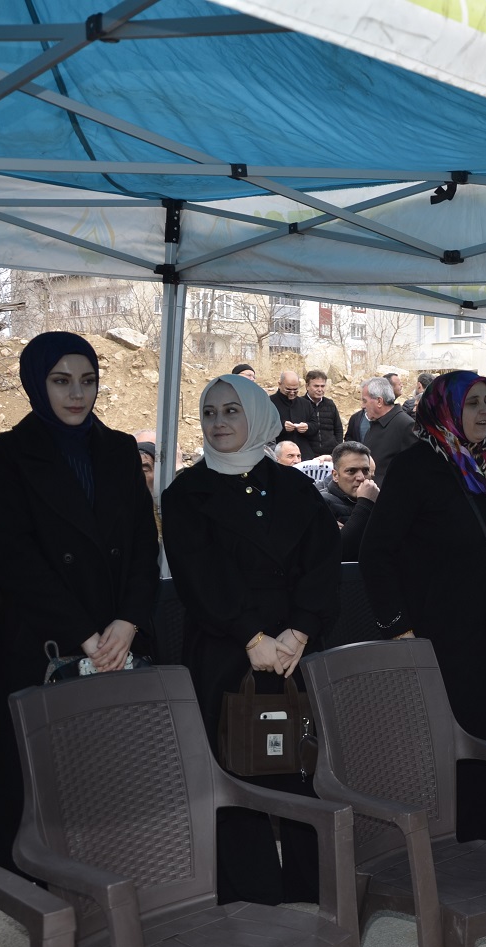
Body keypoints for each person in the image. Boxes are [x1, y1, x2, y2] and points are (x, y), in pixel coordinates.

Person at [0, 331, 160, 873]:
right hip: (42, 641)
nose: (77, 394)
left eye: (87, 380)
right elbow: (13, 559)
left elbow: (144, 547)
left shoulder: (121, 448)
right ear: (37, 383)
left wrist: (127, 621)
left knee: (118, 789)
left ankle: (127, 892)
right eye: (61, 381)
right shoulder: (5, 455)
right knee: (40, 790)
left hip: (122, 639)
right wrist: (86, 634)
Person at [161, 374, 340, 906]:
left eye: (232, 411)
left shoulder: (294, 486)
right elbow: (198, 577)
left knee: (303, 774)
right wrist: (251, 636)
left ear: (258, 416)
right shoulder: (186, 493)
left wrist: (301, 629)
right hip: (226, 655)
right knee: (233, 777)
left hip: (294, 655)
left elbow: (322, 563)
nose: (219, 422)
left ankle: (310, 900)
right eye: (210, 412)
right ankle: (250, 905)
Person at [359, 371, 486, 842]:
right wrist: (398, 628)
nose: (483, 412)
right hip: (438, 631)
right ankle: (460, 841)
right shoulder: (417, 466)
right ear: (445, 408)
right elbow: (376, 552)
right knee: (454, 732)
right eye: (471, 403)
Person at [323, 441, 378, 561]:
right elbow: (339, 551)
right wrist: (365, 503)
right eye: (351, 471)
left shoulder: (378, 501)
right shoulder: (322, 504)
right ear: (335, 475)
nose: (361, 477)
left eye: (365, 471)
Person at [346, 376, 417, 465]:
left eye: (365, 401)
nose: (362, 406)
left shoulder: (406, 425)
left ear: (379, 401)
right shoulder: (376, 423)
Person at [270, 370, 314, 458]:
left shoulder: (305, 404)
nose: (292, 392)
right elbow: (264, 427)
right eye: (288, 389)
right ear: (280, 384)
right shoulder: (269, 402)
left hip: (303, 453)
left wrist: (307, 427)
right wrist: (281, 426)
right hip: (279, 454)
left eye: (295, 389)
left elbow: (315, 425)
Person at [302, 369, 344, 458]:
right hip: (308, 456)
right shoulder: (300, 404)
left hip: (330, 455)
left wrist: (338, 448)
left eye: (322, 386)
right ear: (307, 386)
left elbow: (338, 429)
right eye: (316, 386)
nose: (320, 389)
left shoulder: (330, 404)